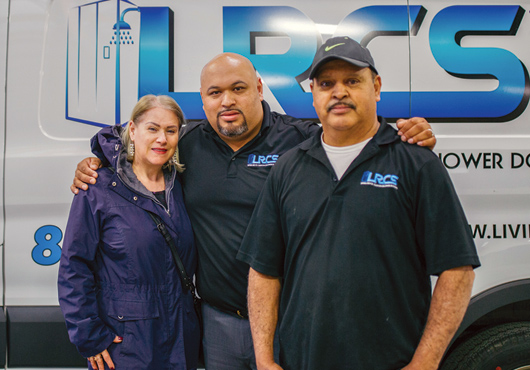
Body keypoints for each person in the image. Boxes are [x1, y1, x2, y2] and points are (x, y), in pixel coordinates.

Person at [71, 53, 437, 370]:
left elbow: (354, 130)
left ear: (259, 89)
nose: (227, 101)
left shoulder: (301, 139)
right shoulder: (187, 144)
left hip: (288, 320)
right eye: (215, 93)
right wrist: (96, 161)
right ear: (203, 100)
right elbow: (133, 141)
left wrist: (406, 133)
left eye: (238, 88)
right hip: (218, 323)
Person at [236, 37, 480, 370]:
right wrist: (264, 360)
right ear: (314, 94)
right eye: (326, 83)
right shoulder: (289, 167)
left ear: (376, 87)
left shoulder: (416, 164)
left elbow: (457, 271)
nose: (339, 92)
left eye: (352, 81)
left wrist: (425, 362)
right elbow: (263, 271)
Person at [58, 95, 200, 370]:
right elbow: (74, 266)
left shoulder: (182, 185)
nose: (162, 138)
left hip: (181, 338)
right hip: (126, 344)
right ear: (132, 130)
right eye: (152, 128)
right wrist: (90, 337)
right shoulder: (97, 189)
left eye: (170, 131)